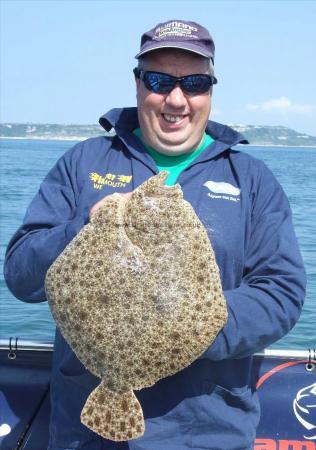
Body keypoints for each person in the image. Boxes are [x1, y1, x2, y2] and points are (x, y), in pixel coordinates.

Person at [4, 19, 306, 450]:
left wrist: (186, 332)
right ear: (138, 84)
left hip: (205, 431)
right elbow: (20, 275)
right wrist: (85, 227)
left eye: (195, 82)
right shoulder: (83, 161)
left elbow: (281, 293)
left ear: (211, 90)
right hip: (83, 433)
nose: (176, 99)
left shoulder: (252, 180)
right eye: (159, 80)